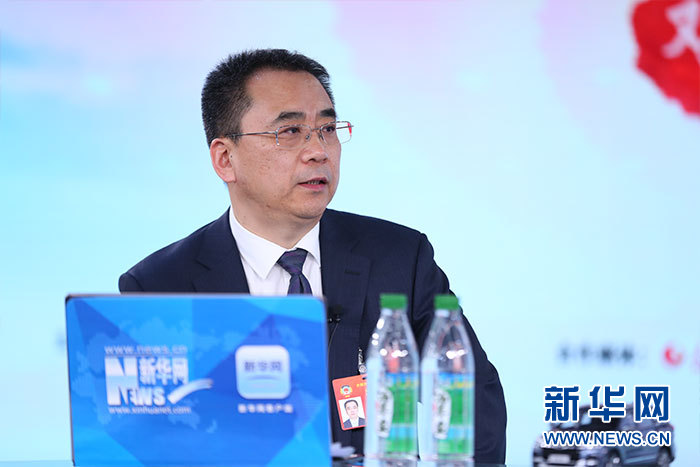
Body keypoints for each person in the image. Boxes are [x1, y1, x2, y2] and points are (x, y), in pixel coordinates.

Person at [119, 49, 506, 463]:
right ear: (225, 159)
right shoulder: (161, 285)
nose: (318, 150)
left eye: (327, 128)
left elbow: (472, 397)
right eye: (290, 132)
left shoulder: (399, 258)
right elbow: (148, 443)